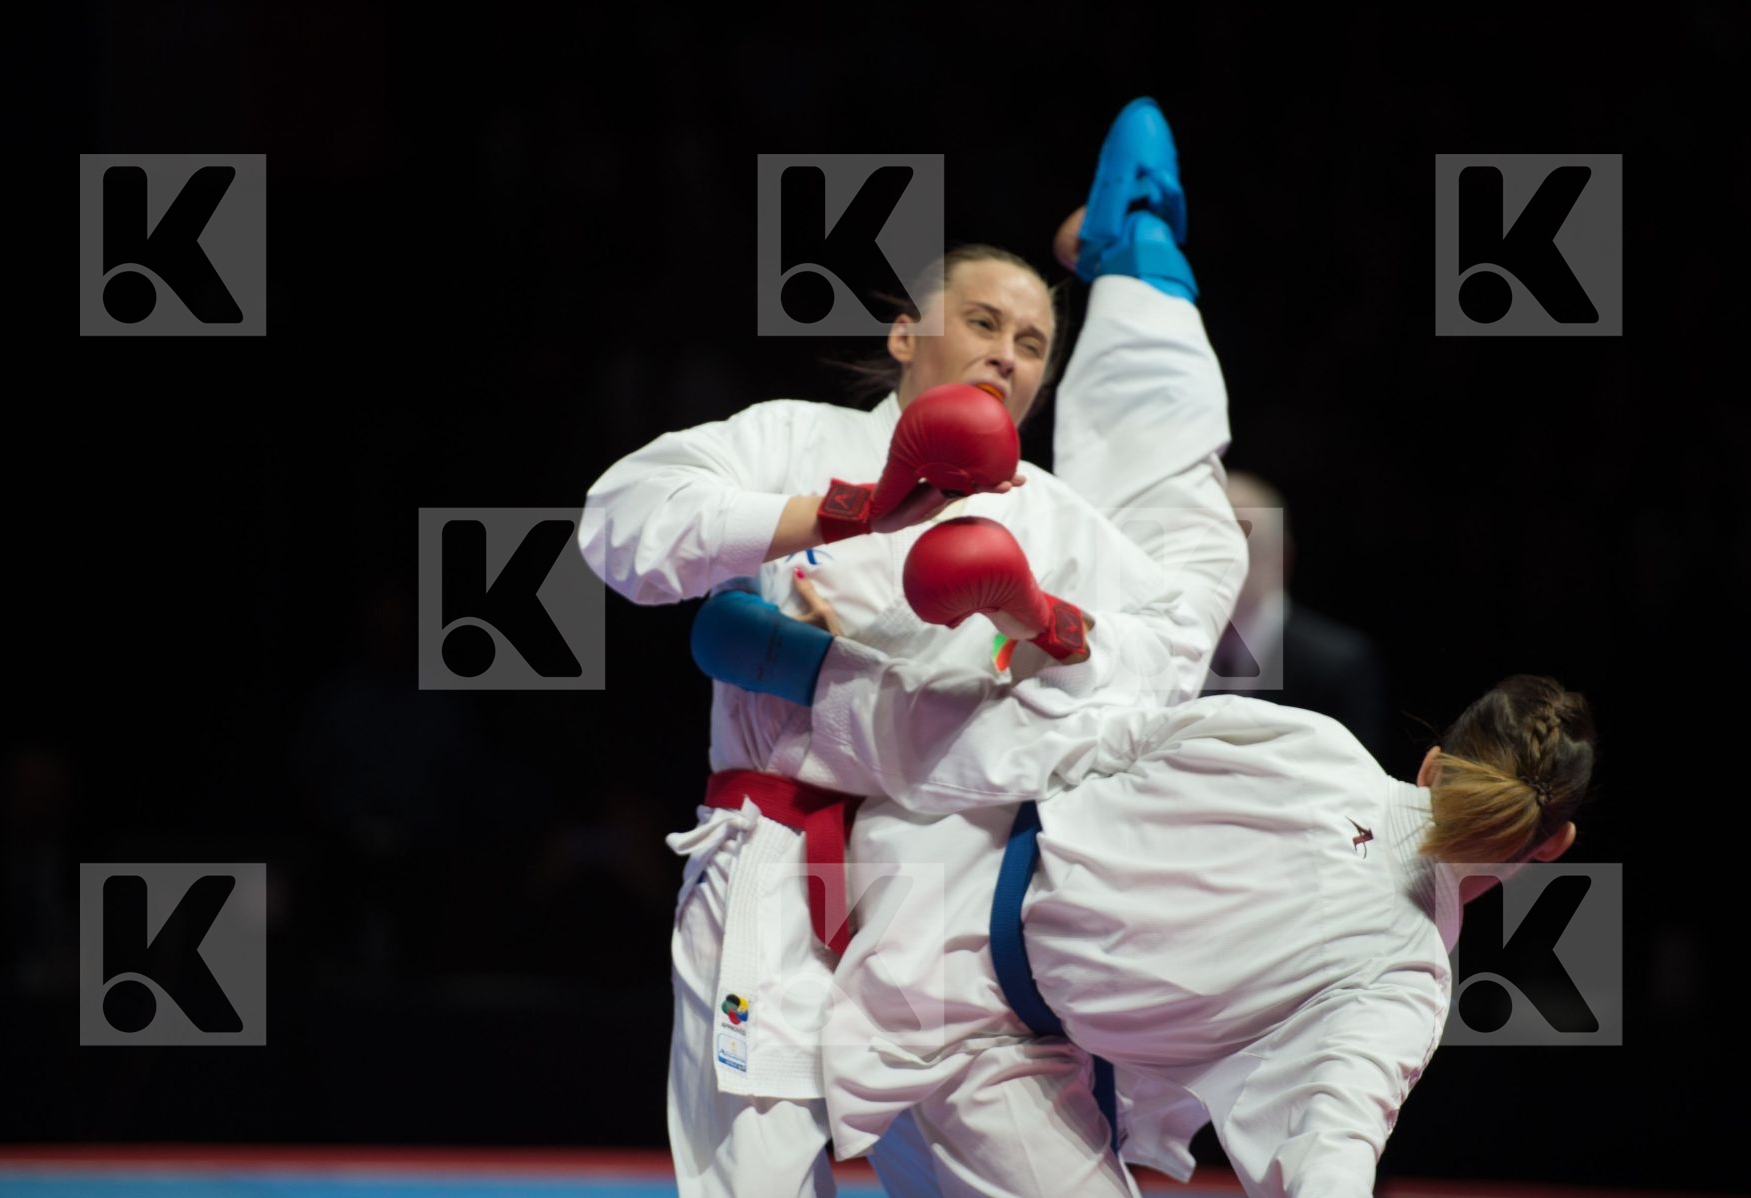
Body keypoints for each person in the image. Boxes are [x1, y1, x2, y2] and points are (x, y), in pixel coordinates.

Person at [579, 97, 1245, 1197]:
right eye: (984, 323)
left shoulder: (1055, 517)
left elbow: (1164, 653)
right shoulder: (799, 439)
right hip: (777, 869)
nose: (1008, 356)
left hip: (957, 897)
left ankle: (1140, 262)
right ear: (906, 333)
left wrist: (1039, 625)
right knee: (763, 1179)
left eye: (1033, 344)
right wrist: (839, 513)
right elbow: (620, 523)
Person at [690, 570, 1596, 1198]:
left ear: (1435, 764)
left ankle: (804, 656)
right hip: (979, 1050)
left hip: (909, 855)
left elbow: (1093, 741)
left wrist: (848, 687)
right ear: (1552, 846)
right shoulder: (1407, 980)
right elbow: (1332, 1146)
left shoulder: (1313, 743)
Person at [1205, 469, 1393, 769]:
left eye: (1240, 548)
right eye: (1209, 550)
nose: (1222, 567)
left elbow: (1357, 781)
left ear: (1282, 558)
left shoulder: (1338, 666)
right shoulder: (1172, 646)